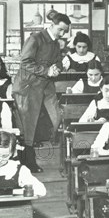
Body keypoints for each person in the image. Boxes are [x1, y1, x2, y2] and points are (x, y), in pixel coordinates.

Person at [13, 10, 71, 172]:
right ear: (51, 25)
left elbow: (58, 62)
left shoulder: (55, 43)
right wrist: (46, 71)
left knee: (58, 117)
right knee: (28, 127)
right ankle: (28, 163)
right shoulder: (35, 38)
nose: (62, 33)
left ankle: (61, 161)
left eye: (65, 31)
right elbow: (25, 62)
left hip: (45, 86)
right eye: (60, 29)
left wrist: (57, 68)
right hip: (28, 87)